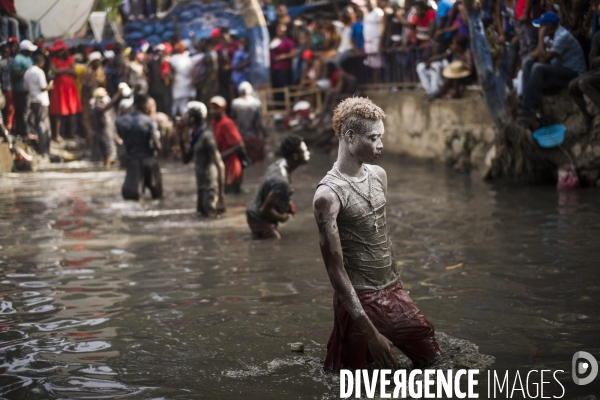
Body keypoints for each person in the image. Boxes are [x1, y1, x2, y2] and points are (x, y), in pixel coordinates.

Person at [313, 97, 440, 372]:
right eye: (373, 138)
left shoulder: (379, 175)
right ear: (349, 136)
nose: (381, 145)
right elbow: (335, 271)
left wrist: (399, 288)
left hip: (392, 290)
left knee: (431, 355)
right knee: (350, 380)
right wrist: (370, 332)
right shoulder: (328, 196)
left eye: (381, 137)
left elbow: (382, 235)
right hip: (358, 298)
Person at [518, 12, 586, 122]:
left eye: (541, 26)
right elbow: (533, 55)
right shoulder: (550, 36)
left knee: (537, 68)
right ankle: (525, 105)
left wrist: (540, 37)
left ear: (548, 27)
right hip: (560, 69)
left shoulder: (562, 36)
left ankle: (528, 108)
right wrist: (543, 44)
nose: (539, 29)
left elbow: (543, 60)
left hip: (574, 73)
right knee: (527, 62)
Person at [246, 135, 309, 240]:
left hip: (253, 213)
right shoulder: (281, 181)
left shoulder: (279, 164)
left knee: (260, 240)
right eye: (305, 151)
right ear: (295, 156)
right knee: (275, 242)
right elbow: (265, 210)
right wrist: (283, 218)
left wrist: (286, 203)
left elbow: (270, 191)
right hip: (258, 218)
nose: (308, 153)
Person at [177, 101, 226, 217]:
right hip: (202, 187)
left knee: (210, 219)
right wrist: (180, 136)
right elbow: (185, 160)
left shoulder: (206, 136)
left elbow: (220, 165)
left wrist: (221, 197)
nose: (183, 118)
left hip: (210, 187)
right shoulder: (196, 136)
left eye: (186, 115)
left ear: (193, 119)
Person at [115, 92, 163, 200]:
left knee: (131, 197)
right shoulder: (149, 121)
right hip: (149, 161)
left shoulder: (120, 121)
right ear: (143, 104)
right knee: (157, 196)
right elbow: (158, 146)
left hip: (132, 162)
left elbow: (120, 138)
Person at [209, 95, 244, 194]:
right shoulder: (214, 123)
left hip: (231, 168)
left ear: (223, 109)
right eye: (211, 109)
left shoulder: (226, 123)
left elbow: (239, 145)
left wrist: (220, 157)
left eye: (216, 109)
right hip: (222, 167)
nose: (212, 112)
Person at [48, 39, 82, 141]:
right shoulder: (52, 60)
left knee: (72, 111)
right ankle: (57, 135)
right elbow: (54, 71)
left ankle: (71, 134)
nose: (59, 52)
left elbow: (73, 71)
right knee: (58, 112)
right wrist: (66, 70)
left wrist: (62, 71)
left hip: (70, 88)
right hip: (59, 88)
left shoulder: (71, 59)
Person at [568, 31, 600, 126]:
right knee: (572, 86)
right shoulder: (598, 36)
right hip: (597, 71)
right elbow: (591, 60)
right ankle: (586, 115)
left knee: (584, 83)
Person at [24, 52, 53, 156]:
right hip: (41, 101)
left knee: (38, 123)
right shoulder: (39, 72)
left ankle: (42, 148)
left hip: (33, 101)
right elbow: (43, 87)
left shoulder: (27, 72)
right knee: (43, 125)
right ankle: (44, 149)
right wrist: (50, 86)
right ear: (41, 62)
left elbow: (26, 88)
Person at [231, 82, 266, 165]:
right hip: (253, 136)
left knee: (243, 162)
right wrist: (265, 135)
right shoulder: (256, 103)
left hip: (240, 137)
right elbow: (259, 122)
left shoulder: (235, 103)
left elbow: (233, 121)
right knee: (257, 162)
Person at [91, 87, 123, 169]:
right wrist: (118, 94)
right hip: (102, 132)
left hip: (107, 131)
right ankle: (107, 167)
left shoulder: (103, 105)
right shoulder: (97, 106)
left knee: (108, 150)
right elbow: (109, 105)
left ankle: (107, 166)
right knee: (107, 151)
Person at [11, 39, 36, 137]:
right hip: (21, 89)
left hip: (30, 89)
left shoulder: (29, 58)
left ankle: (30, 130)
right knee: (23, 111)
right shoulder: (18, 58)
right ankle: (24, 131)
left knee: (30, 111)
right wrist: (28, 73)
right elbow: (15, 73)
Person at [81, 51, 106, 145]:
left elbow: (103, 84)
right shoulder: (86, 71)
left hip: (100, 99)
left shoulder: (101, 71)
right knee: (87, 119)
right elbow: (84, 85)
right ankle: (90, 140)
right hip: (88, 99)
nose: (97, 63)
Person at [170, 41, 195, 118]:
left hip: (179, 82)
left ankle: (175, 117)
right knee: (183, 104)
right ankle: (183, 117)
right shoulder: (188, 59)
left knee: (176, 103)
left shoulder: (174, 58)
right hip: (186, 82)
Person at [148, 43, 173, 116]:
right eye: (158, 51)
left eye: (161, 51)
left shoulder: (168, 63)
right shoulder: (152, 63)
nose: (160, 53)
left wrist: (168, 75)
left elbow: (172, 75)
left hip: (165, 89)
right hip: (155, 90)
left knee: (166, 108)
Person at [0, 37, 17, 133]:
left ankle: (9, 127)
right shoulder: (1, 61)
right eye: (4, 52)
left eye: (7, 51)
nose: (6, 53)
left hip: (11, 88)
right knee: (8, 109)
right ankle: (7, 129)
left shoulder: (12, 60)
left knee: (11, 109)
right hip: (5, 88)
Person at [362, 0, 385, 70]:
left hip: (375, 41)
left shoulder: (378, 12)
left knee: (378, 63)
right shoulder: (366, 13)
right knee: (370, 63)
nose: (369, 4)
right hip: (368, 41)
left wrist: (380, 41)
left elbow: (382, 26)